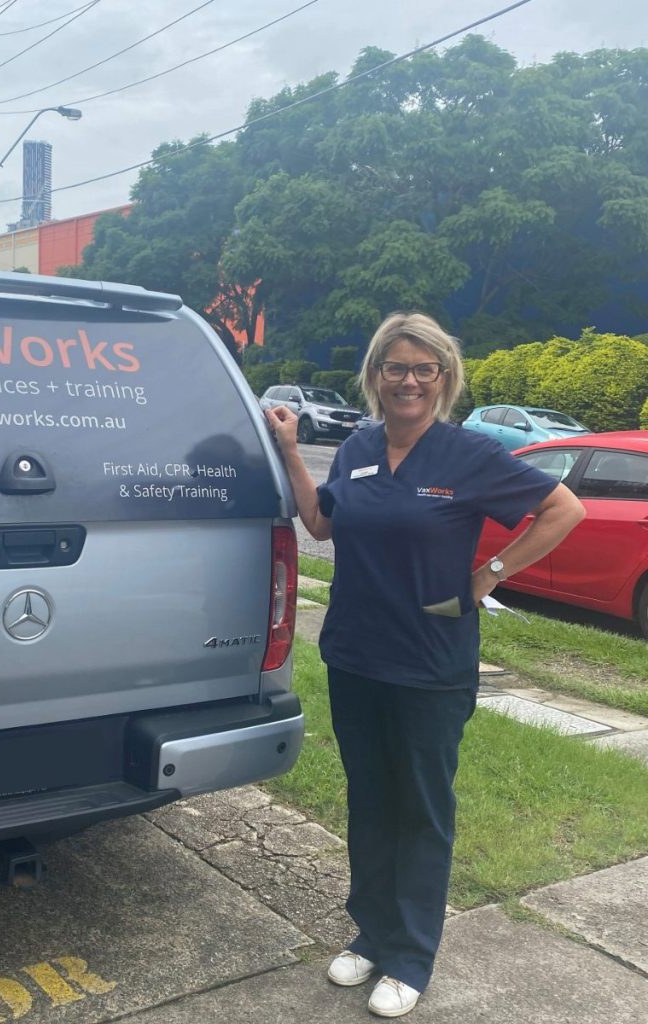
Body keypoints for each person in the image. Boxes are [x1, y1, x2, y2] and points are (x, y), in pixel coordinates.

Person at [266, 312, 584, 1018]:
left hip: (431, 663)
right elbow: (320, 524)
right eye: (394, 367)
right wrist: (291, 451)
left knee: (421, 809)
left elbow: (564, 509)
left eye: (423, 369)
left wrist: (489, 575)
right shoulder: (357, 446)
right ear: (375, 375)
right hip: (355, 654)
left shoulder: (465, 455)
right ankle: (372, 934)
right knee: (371, 800)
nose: (408, 381)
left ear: (443, 379)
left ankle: (411, 953)